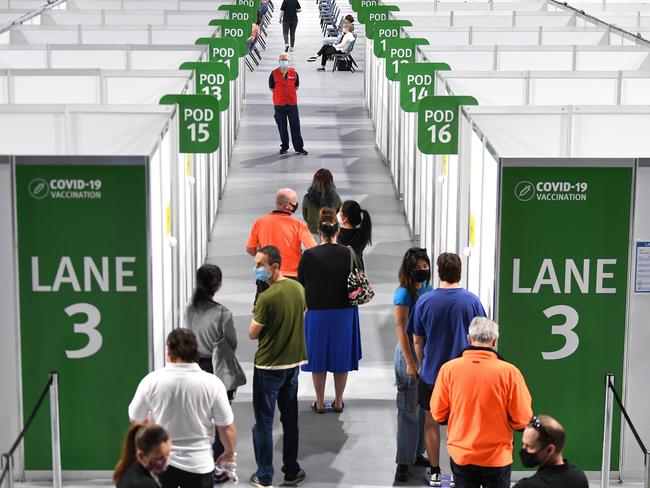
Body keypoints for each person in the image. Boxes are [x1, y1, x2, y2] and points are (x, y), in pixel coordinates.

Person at [408, 252, 486, 486]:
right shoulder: (472, 301)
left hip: (433, 375)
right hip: (464, 376)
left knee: (431, 423)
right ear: (460, 271)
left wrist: (422, 365)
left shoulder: (425, 301)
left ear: (439, 272)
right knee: (458, 425)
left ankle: (434, 471)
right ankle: (456, 473)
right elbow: (481, 338)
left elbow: (417, 340)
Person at [430, 317, 533, 488]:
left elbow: (438, 413)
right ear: (495, 340)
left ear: (469, 339)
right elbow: (522, 419)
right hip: (497, 458)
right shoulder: (510, 373)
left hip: (462, 454)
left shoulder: (448, 369)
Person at [128, 329, 237, 488]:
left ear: (169, 351)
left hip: (161, 463)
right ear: (196, 352)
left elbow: (135, 417)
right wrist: (229, 453)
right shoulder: (213, 384)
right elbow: (227, 427)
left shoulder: (151, 381)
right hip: (199, 464)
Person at [249, 246, 307, 488]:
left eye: (260, 265)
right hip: (293, 365)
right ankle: (291, 470)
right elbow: (301, 315)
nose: (256, 269)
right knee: (289, 419)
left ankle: (264, 476)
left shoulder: (266, 298)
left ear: (274, 266)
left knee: (263, 422)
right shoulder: (298, 288)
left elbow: (253, 333)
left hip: (268, 367)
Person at [184, 264, 246, 481]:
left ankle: (198, 463)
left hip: (193, 366)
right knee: (221, 416)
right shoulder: (223, 313)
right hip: (217, 368)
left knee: (198, 417)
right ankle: (218, 468)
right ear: (217, 285)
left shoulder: (189, 310)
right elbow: (232, 344)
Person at [298, 208, 362, 413]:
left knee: (318, 358)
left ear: (319, 231)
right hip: (344, 312)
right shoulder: (348, 253)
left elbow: (301, 283)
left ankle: (319, 401)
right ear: (337, 231)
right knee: (340, 358)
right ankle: (338, 400)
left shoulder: (308, 255)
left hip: (316, 312)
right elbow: (358, 277)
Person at [393, 248, 433, 482]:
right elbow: (401, 328)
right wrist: (410, 362)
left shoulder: (427, 289)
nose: (423, 271)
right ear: (409, 269)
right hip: (408, 352)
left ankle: (417, 453)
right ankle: (403, 462)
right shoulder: (403, 295)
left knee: (421, 408)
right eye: (419, 268)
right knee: (408, 409)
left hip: (424, 352)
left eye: (425, 267)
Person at [246, 188, 317, 299]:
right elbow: (313, 249)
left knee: (263, 310)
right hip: (291, 277)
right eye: (295, 203)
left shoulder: (260, 222)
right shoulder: (298, 225)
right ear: (288, 205)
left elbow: (250, 249)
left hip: (266, 275)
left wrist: (263, 257)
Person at [514, 416, 588, 488]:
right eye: (523, 444)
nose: (523, 449)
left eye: (530, 446)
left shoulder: (526, 486)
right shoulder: (579, 476)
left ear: (550, 450)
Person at [268, 54, 308, 155]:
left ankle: (299, 148)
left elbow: (296, 86)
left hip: (292, 104)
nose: (283, 61)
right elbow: (272, 87)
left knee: (295, 127)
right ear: (279, 61)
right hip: (279, 105)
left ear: (288, 61)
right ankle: (284, 147)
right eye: (281, 60)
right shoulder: (273, 74)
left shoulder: (294, 73)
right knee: (282, 127)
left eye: (285, 60)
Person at [113, 423, 171, 488]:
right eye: (160, 458)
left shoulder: (129, 467)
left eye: (168, 454)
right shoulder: (144, 484)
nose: (166, 461)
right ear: (141, 456)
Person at [302, 168, 342, 236]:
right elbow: (339, 216)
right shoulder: (336, 198)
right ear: (330, 181)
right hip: (330, 233)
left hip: (313, 231)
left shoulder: (307, 198)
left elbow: (305, 216)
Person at [337, 200, 372, 270]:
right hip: (357, 273)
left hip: (340, 272)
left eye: (340, 212)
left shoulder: (336, 235)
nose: (337, 214)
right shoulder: (362, 235)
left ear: (345, 219)